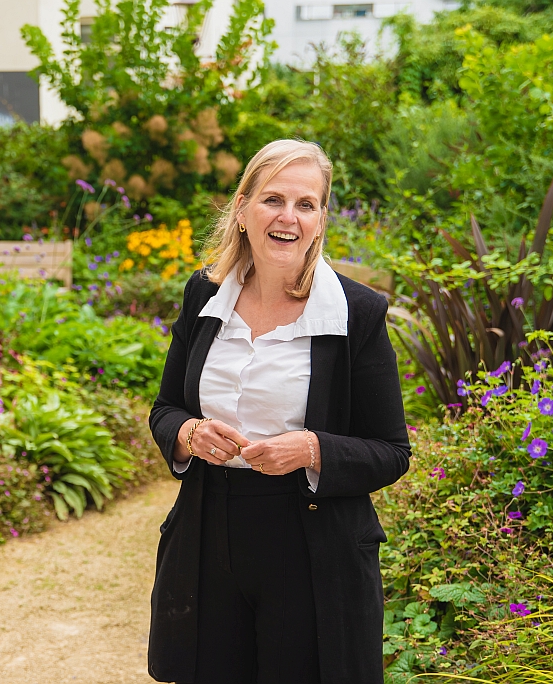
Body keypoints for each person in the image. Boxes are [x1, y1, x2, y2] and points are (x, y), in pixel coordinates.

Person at [147, 139, 411, 684]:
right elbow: (166, 409)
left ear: (320, 220)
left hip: (311, 546)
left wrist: (312, 449)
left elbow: (392, 451)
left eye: (306, 204)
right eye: (272, 199)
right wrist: (189, 435)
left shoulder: (355, 313)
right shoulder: (204, 295)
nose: (288, 217)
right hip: (207, 535)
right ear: (242, 210)